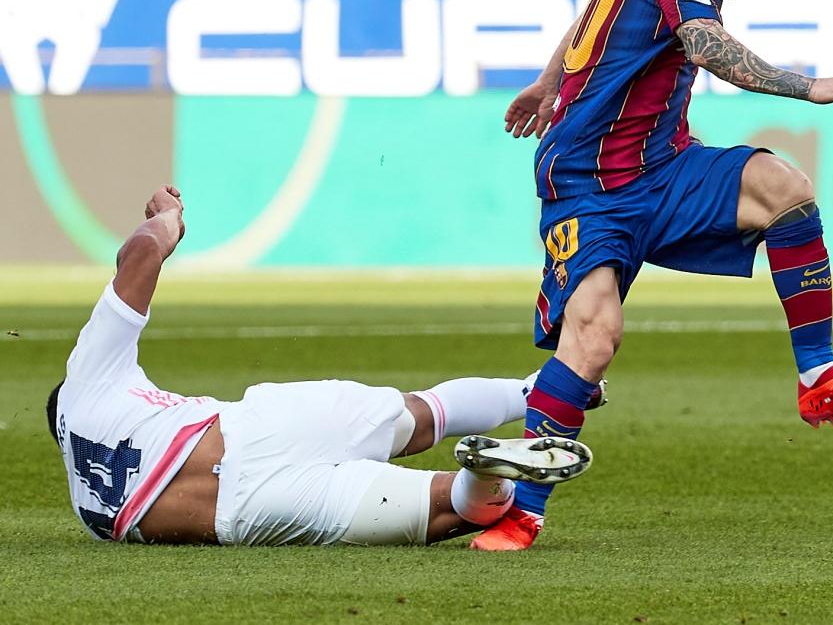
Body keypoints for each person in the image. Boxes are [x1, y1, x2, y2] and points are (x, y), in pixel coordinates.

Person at [486, 0, 833, 552]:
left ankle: (820, 374)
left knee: (785, 189)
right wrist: (811, 86)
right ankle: (520, 513)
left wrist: (550, 78)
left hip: (664, 168)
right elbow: (704, 42)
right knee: (593, 342)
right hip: (589, 185)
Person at [48, 184, 595, 547]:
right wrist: (167, 221)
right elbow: (141, 253)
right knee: (419, 416)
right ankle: (540, 391)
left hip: (251, 513)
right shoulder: (88, 379)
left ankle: (484, 475)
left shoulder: (86, 513)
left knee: (448, 511)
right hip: (258, 426)